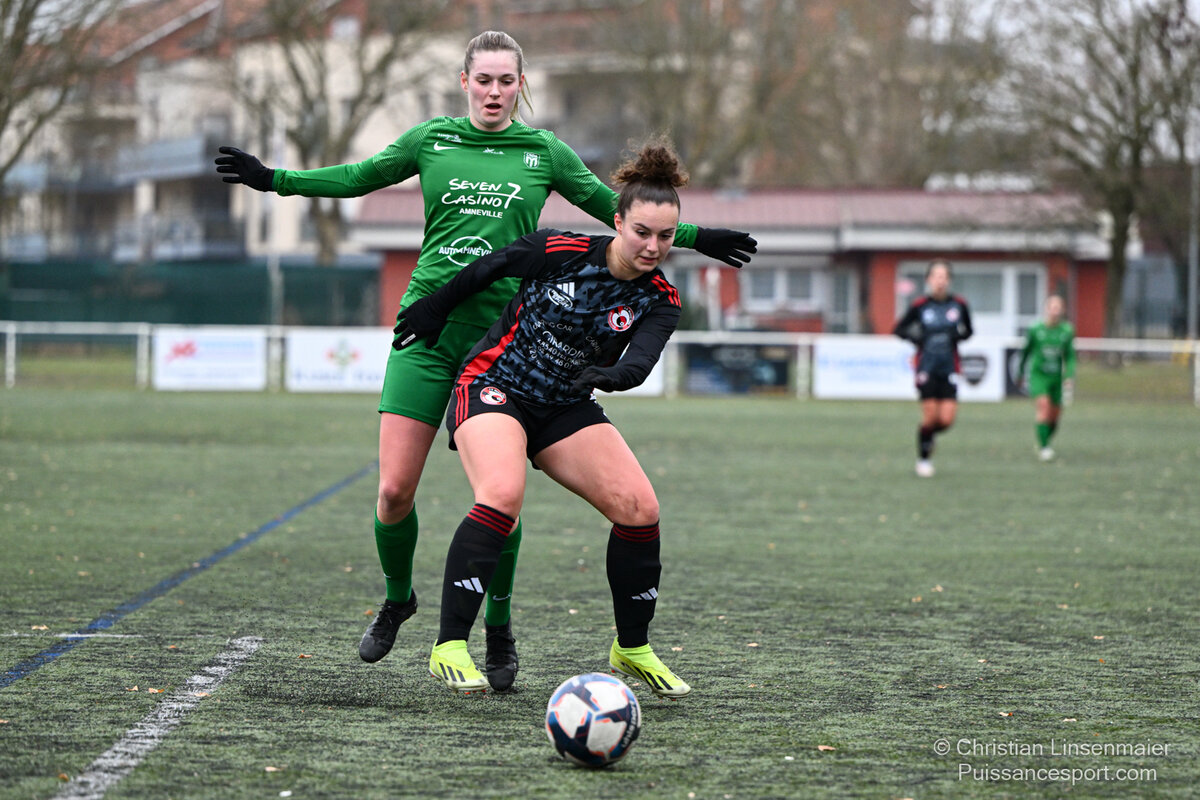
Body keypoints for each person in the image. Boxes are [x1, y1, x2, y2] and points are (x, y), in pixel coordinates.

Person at [215, 31, 756, 691]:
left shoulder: (543, 151)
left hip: (505, 342)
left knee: (500, 494)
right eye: (484, 80)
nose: (494, 92)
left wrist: (697, 236)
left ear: (520, 85)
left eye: (506, 81)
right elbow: (358, 178)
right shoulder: (431, 140)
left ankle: (498, 626)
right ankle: (397, 599)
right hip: (430, 325)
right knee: (394, 490)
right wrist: (275, 180)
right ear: (465, 82)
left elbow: (620, 216)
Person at [392, 139, 697, 698]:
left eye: (666, 235)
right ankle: (449, 645)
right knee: (502, 496)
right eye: (642, 232)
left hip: (565, 405)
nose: (653, 246)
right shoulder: (560, 249)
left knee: (640, 509)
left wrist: (612, 377)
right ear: (617, 221)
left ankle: (632, 648)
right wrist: (434, 308)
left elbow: (641, 362)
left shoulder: (661, 299)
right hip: (494, 385)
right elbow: (490, 266)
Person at [893, 259, 973, 478]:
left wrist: (957, 335)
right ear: (928, 280)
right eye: (936, 277)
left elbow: (968, 331)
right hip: (926, 367)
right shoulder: (920, 305)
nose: (940, 281)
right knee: (929, 416)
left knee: (946, 420)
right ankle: (924, 459)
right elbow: (899, 329)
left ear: (949, 280)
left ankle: (927, 436)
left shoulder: (959, 304)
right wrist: (916, 337)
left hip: (949, 367)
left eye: (944, 277)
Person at [1018, 294, 1076, 461]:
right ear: (1046, 309)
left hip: (1056, 378)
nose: (1055, 311)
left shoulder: (1067, 330)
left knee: (1054, 416)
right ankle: (1044, 447)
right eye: (1052, 307)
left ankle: (1045, 439)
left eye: (1058, 307)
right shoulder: (1036, 330)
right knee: (1043, 407)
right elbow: (1026, 352)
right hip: (1039, 376)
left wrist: (1069, 374)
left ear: (1063, 310)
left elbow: (1070, 356)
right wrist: (1020, 372)